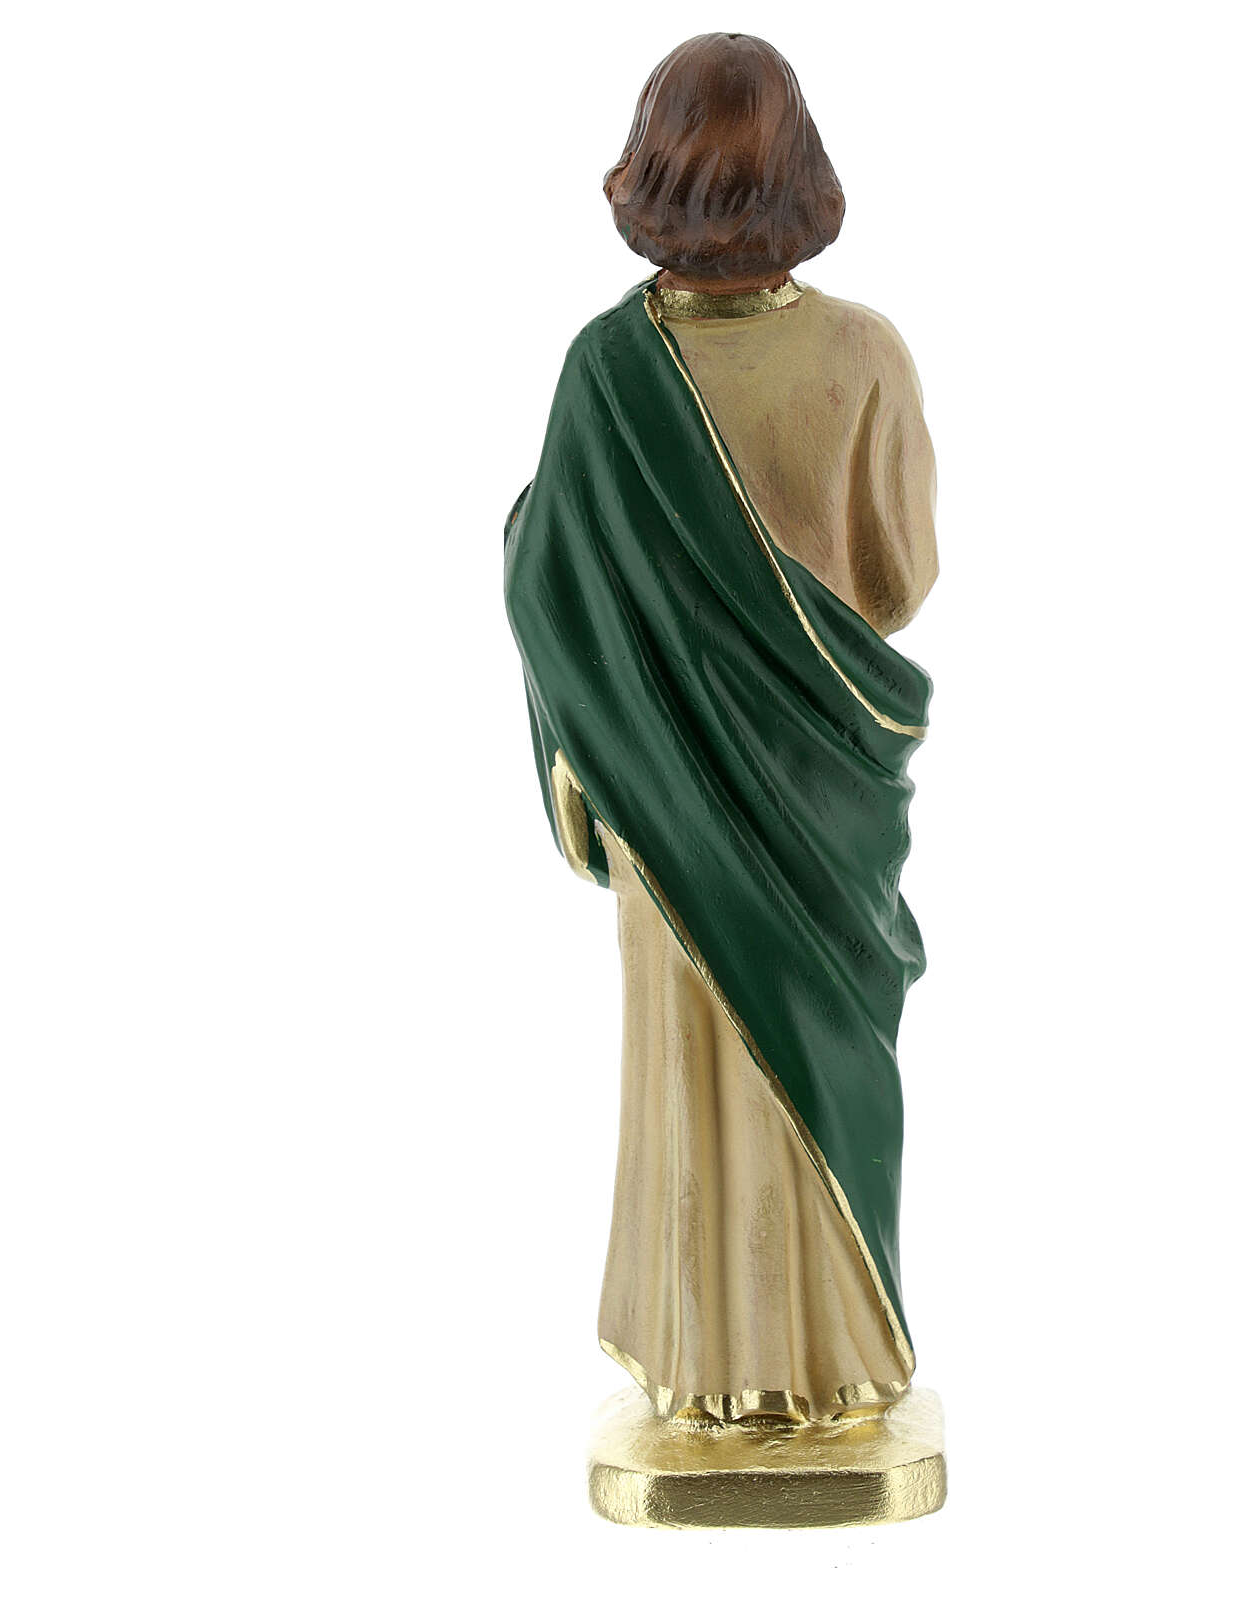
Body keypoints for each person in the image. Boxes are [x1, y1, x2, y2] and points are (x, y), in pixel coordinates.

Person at [504, 33, 938, 1425]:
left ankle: (703, 1374)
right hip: (822, 788)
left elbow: (545, 580)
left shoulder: (604, 373)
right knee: (818, 1042)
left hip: (656, 781)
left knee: (695, 1063)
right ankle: (838, 1366)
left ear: (649, 166)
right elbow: (898, 580)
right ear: (803, 167)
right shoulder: (864, 357)